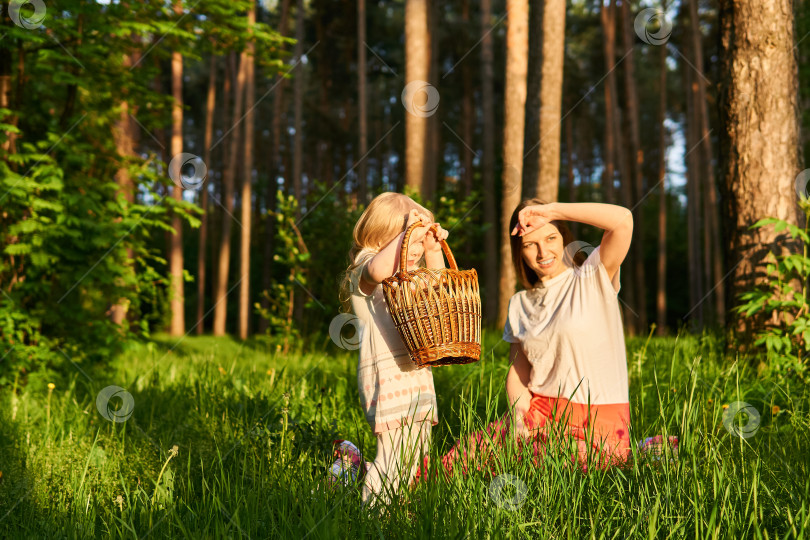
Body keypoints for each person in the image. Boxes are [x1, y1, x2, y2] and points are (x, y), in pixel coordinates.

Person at [504, 198, 634, 466]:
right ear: (520, 251)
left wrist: (551, 211)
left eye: (551, 237)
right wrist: (518, 420)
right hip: (539, 412)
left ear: (563, 237)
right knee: (461, 460)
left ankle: (638, 452)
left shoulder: (592, 275)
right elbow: (519, 372)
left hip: (598, 420)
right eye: (530, 244)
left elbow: (622, 221)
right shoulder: (519, 302)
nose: (543, 252)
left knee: (557, 463)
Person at [338, 192, 449, 505]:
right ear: (378, 238)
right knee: (394, 454)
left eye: (416, 243)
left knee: (416, 452)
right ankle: (375, 518)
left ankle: (391, 499)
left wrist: (432, 249)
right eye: (406, 241)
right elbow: (378, 271)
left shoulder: (408, 275)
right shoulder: (365, 267)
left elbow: (438, 288)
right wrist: (405, 235)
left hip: (416, 376)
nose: (411, 250)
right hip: (386, 379)